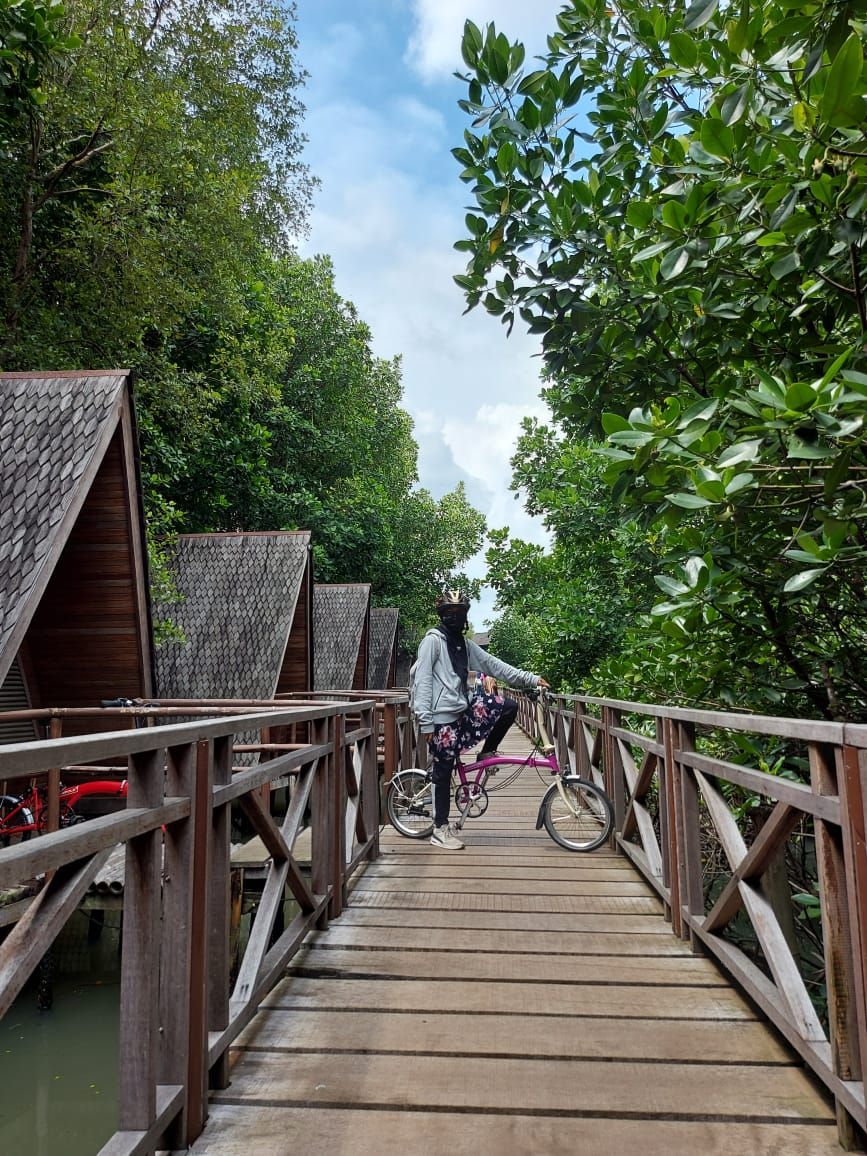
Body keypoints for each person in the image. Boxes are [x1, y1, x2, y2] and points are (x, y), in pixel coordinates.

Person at [412, 590, 549, 850]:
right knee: (442, 773)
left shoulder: (464, 644)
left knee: (507, 706)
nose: (454, 618)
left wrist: (529, 678)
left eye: (459, 613)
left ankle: (486, 754)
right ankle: (439, 829)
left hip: (462, 711)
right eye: (449, 613)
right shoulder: (433, 640)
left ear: (465, 615)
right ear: (442, 615)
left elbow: (493, 665)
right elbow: (423, 681)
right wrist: (426, 722)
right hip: (441, 718)